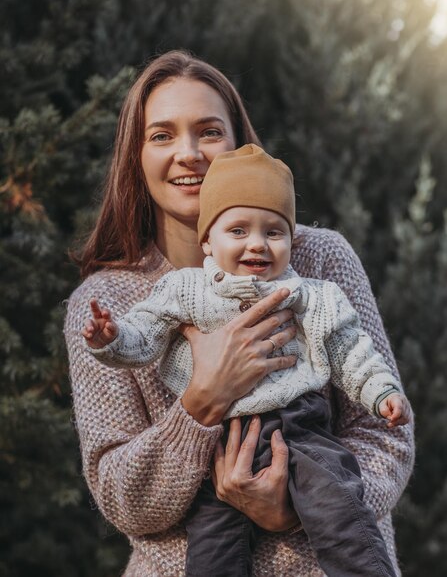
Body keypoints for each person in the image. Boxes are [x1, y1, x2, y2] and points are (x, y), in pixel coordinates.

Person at [64, 50, 415, 576]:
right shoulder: (108, 304)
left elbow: (385, 433)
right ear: (135, 156)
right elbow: (123, 498)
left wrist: (292, 509)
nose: (188, 154)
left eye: (208, 131)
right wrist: (203, 400)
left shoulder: (318, 261)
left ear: (237, 143)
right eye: (161, 135)